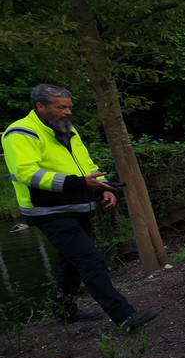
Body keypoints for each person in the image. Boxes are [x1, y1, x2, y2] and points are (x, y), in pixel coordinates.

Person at [3, 84, 158, 330]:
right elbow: (27, 173)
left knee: (71, 262)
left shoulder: (66, 128)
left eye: (69, 107)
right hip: (48, 210)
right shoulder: (20, 132)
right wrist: (79, 183)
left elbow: (85, 164)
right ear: (40, 106)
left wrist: (104, 187)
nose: (68, 112)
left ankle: (64, 311)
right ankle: (125, 317)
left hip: (77, 205)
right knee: (90, 260)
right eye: (61, 107)